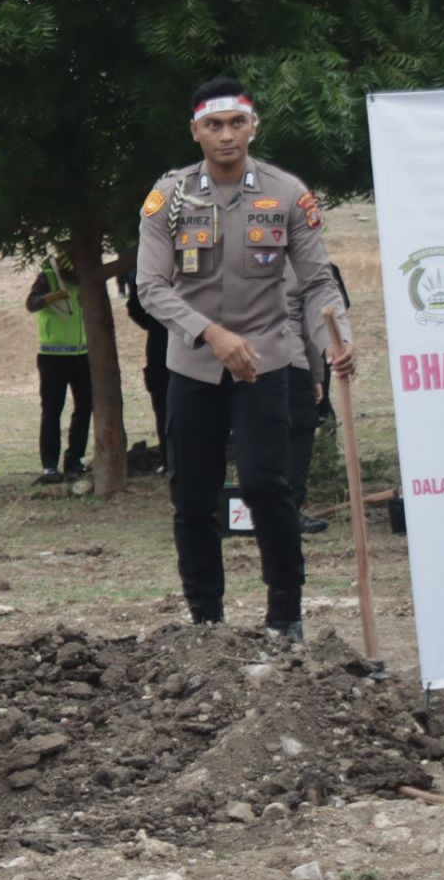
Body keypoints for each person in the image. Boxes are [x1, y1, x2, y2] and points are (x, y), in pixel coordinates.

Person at [135, 77, 354, 639]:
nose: (226, 135)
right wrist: (211, 335)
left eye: (237, 123)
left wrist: (336, 336)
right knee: (192, 497)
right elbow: (152, 288)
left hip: (266, 360)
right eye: (214, 125)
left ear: (254, 126)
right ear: (196, 132)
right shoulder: (171, 197)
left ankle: (286, 615)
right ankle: (207, 619)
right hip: (193, 365)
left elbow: (317, 282)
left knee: (266, 485)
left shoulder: (286, 194)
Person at [25, 251, 92, 483]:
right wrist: (54, 297)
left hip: (82, 355)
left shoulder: (84, 282)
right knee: (52, 411)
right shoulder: (47, 277)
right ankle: (50, 467)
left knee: (85, 408)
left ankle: (74, 460)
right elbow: (31, 304)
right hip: (53, 358)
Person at [283, 263, 329, 535]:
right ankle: (284, 510)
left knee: (299, 433)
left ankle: (288, 510)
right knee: (294, 435)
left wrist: (315, 374)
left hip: (292, 359)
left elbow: (309, 323)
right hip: (275, 359)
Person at [125, 272, 170, 469]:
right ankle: (170, 461)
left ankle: (173, 462)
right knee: (164, 410)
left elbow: (135, 308)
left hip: (173, 349)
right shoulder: (150, 270)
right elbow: (135, 307)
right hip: (163, 351)